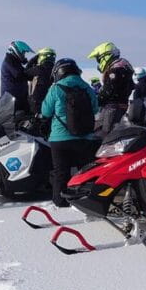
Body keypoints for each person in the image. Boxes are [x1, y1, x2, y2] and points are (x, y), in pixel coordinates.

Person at [41, 58, 100, 207]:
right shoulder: (86, 87)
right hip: (85, 137)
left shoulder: (56, 88)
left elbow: (45, 111)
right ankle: (85, 200)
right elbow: (95, 109)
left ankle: (61, 201)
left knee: (61, 172)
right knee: (84, 171)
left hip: (59, 138)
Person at [87, 42, 134, 135]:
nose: (98, 62)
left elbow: (108, 91)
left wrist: (95, 99)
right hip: (117, 107)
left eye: (98, 59)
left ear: (106, 56)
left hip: (112, 108)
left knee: (105, 136)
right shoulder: (123, 67)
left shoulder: (116, 70)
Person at [0, 40, 33, 113]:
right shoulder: (10, 61)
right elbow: (20, 75)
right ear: (17, 51)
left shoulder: (15, 62)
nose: (24, 55)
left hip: (17, 99)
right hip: (11, 101)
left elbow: (26, 75)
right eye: (23, 53)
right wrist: (33, 69)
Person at [25, 47, 56, 116]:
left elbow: (25, 72)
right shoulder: (56, 70)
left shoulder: (40, 69)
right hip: (51, 102)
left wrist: (33, 60)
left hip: (37, 102)